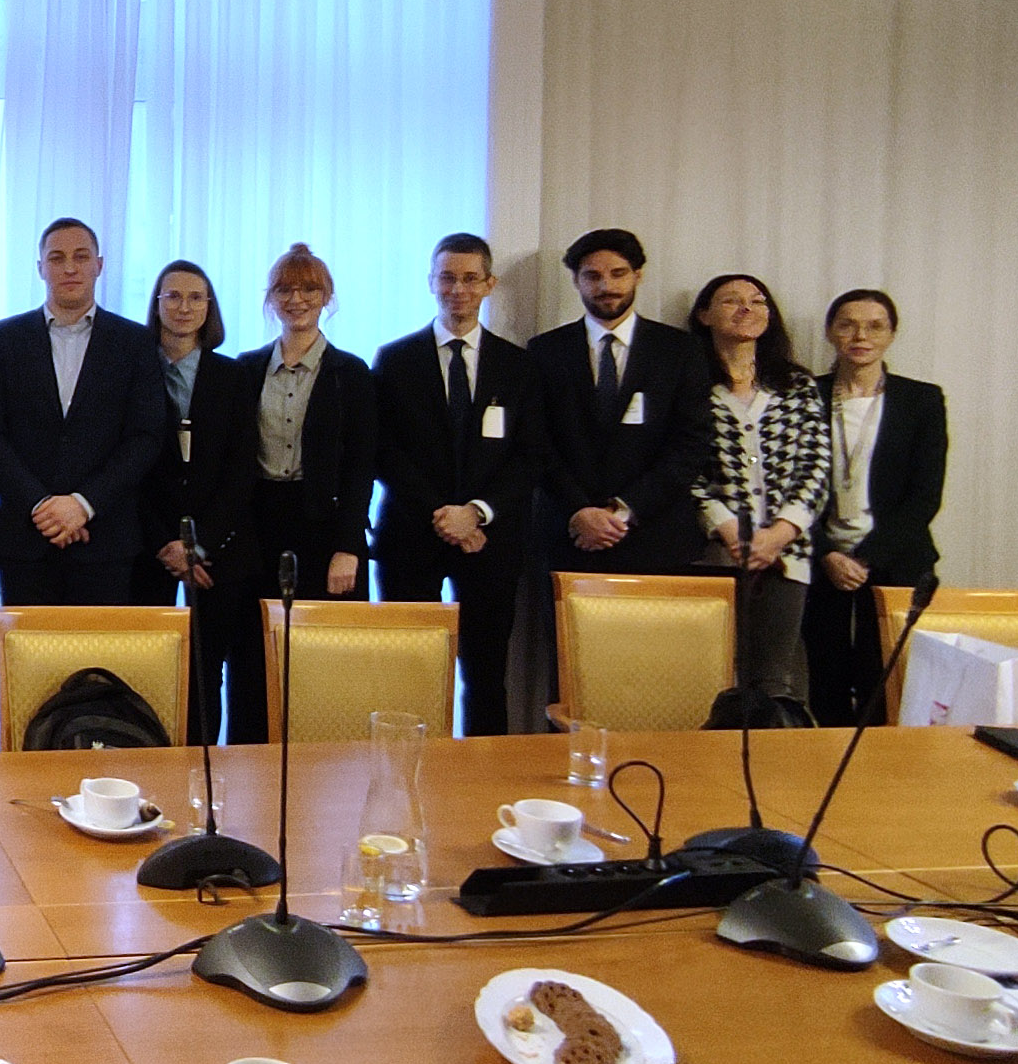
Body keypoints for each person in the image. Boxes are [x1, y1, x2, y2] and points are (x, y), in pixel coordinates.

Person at [372, 234, 534, 737]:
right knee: (408, 671)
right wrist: (445, 515)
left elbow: (529, 456)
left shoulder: (519, 365)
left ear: (489, 284)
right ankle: (406, 770)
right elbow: (384, 450)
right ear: (431, 282)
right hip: (411, 536)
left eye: (469, 278)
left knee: (485, 677)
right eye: (447, 278)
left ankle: (485, 774)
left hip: (490, 540)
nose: (457, 289)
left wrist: (476, 513)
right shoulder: (395, 359)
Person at [0, 219, 165, 605]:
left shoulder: (134, 342)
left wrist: (83, 504)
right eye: (57, 258)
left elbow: (145, 437)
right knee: (25, 646)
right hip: (26, 537)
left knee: (100, 646)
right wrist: (41, 504)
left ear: (99, 265)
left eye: (81, 257)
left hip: (105, 538)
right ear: (41, 268)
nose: (70, 268)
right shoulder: (7, 338)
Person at [799, 290, 949, 726]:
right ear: (830, 332)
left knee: (885, 679)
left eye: (874, 326)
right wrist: (828, 553)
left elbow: (925, 495)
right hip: (818, 559)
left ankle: (878, 764)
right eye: (847, 325)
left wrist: (864, 558)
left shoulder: (921, 400)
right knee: (824, 679)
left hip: (895, 558)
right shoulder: (804, 396)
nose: (860, 336)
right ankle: (831, 761)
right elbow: (787, 487)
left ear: (892, 334)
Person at [527, 228, 715, 575]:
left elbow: (691, 443)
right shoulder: (545, 351)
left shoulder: (679, 350)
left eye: (618, 274)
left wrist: (624, 509)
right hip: (570, 536)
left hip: (657, 536)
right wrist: (580, 511)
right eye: (592, 276)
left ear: (638, 275)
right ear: (576, 281)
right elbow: (536, 442)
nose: (606, 286)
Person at [688, 274, 831, 711]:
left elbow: (816, 465)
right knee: (707, 679)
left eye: (757, 301)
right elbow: (683, 468)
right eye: (731, 301)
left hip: (785, 554)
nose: (746, 308)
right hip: (713, 551)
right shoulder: (688, 382)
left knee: (775, 682)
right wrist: (729, 529)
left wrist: (779, 534)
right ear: (704, 315)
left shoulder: (797, 384)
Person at [132, 262, 258, 743]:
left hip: (218, 549)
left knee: (206, 673)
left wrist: (197, 545)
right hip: (149, 547)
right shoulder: (133, 370)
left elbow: (242, 468)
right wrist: (166, 545)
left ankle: (200, 771)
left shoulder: (234, 376)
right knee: (149, 668)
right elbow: (129, 467)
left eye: (195, 297)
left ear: (209, 307)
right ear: (156, 304)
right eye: (173, 296)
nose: (184, 307)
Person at [233, 243, 378, 617]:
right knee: (256, 639)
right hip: (258, 528)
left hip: (326, 528)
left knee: (325, 642)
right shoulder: (246, 370)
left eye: (309, 289)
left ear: (326, 297)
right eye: (285, 289)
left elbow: (361, 466)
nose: (296, 299)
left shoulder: (351, 374)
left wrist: (348, 547)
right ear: (271, 298)